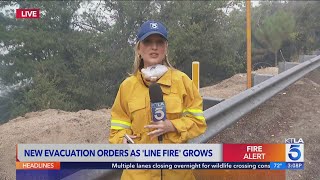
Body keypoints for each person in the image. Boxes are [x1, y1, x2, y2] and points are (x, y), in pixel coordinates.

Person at [109, 20, 207, 180]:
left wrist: (172, 125)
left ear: (165, 48)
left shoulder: (183, 82)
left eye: (159, 42)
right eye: (148, 41)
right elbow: (117, 129)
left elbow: (198, 123)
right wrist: (123, 141)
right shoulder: (127, 87)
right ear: (139, 49)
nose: (154, 47)